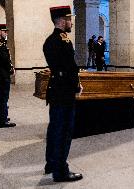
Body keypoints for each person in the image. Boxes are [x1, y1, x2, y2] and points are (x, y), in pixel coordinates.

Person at [43, 5, 83, 182]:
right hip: (65, 91)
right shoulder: (63, 40)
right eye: (69, 19)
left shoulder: (49, 40)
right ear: (62, 20)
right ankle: (61, 171)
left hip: (55, 89)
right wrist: (77, 86)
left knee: (54, 128)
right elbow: (70, 68)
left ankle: (51, 163)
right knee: (64, 131)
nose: (71, 23)